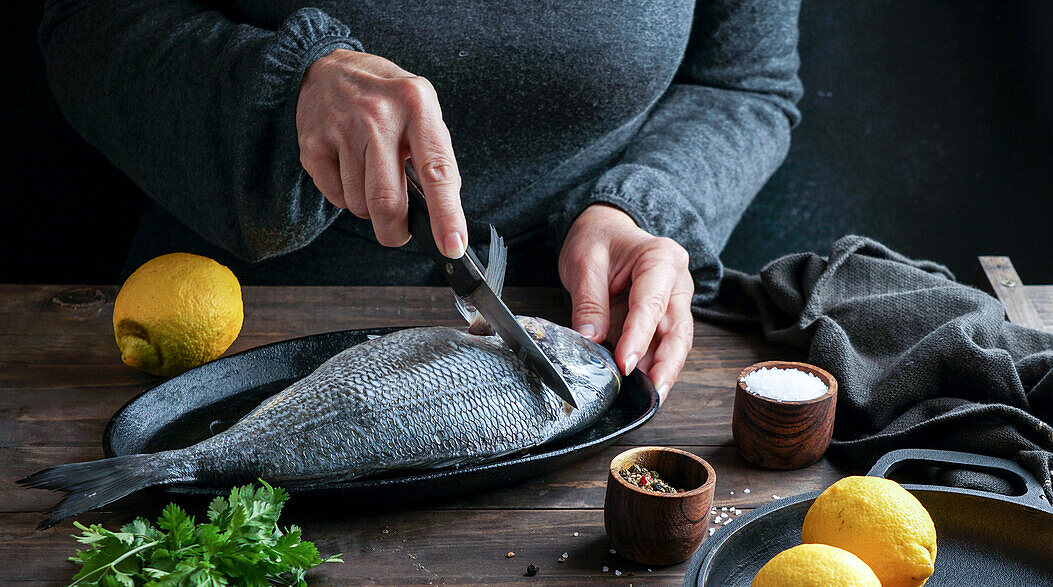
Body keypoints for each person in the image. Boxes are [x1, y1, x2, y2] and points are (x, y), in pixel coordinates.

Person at [40, 1, 801, 401]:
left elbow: (744, 83)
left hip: (573, 338)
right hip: (237, 347)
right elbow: (85, 23)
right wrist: (290, 89)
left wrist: (641, 205)